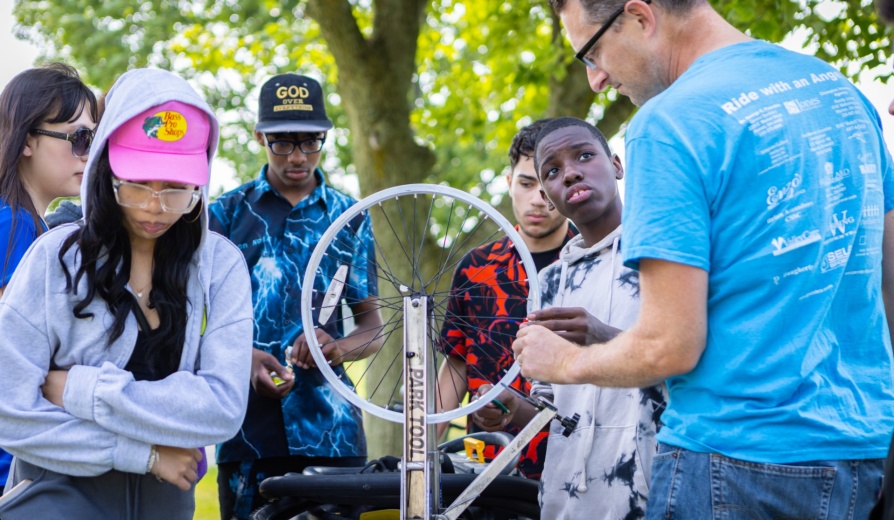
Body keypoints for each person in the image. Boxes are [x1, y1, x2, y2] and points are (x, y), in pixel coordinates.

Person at [512, 0, 894, 517]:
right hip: (864, 452)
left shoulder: (667, 124)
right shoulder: (841, 92)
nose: (597, 79)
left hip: (732, 463)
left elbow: (669, 347)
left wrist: (566, 362)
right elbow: (886, 280)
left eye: (593, 51)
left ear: (641, 16)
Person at [0, 67, 253, 519]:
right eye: (136, 184)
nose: (155, 207)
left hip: (167, 503)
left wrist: (81, 389)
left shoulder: (222, 267)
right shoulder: (52, 259)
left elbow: (223, 409)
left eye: (177, 189)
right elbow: (9, 408)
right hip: (52, 500)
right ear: (105, 164)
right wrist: (145, 453)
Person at [210, 73, 384, 519]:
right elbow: (195, 318)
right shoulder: (225, 214)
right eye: (282, 143)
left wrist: (336, 348)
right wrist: (243, 358)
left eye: (311, 142)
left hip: (333, 436)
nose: (298, 157)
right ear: (259, 138)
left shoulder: (351, 216)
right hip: (247, 433)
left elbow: (373, 329)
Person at [475, 116, 665, 517]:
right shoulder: (549, 282)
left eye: (584, 155)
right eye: (553, 171)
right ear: (546, 193)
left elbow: (689, 361)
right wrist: (508, 407)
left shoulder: (664, 252)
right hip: (570, 501)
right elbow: (554, 411)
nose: (572, 172)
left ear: (616, 164)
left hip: (659, 489)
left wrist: (601, 335)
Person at [435, 118, 575, 480]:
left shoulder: (594, 262)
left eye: (548, 184)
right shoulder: (476, 267)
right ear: (510, 181)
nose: (538, 199)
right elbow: (456, 364)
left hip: (576, 461)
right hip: (487, 469)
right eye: (527, 183)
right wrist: (419, 455)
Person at [0, 62, 98, 493]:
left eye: (94, 139)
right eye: (79, 138)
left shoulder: (31, 227)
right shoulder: (13, 228)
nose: (90, 153)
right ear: (25, 140)